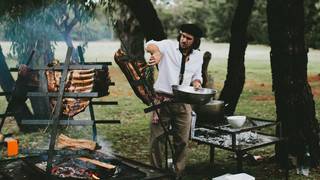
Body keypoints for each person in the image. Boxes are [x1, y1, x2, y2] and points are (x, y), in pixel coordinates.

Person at [145, 23, 204, 178]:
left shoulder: (198, 56)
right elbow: (149, 45)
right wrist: (157, 53)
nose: (184, 40)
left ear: (195, 41)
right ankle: (157, 173)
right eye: (182, 35)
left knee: (182, 141)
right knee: (157, 140)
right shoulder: (168, 46)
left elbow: (197, 75)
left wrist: (197, 83)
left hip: (183, 103)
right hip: (162, 101)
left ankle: (177, 173)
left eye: (188, 38)